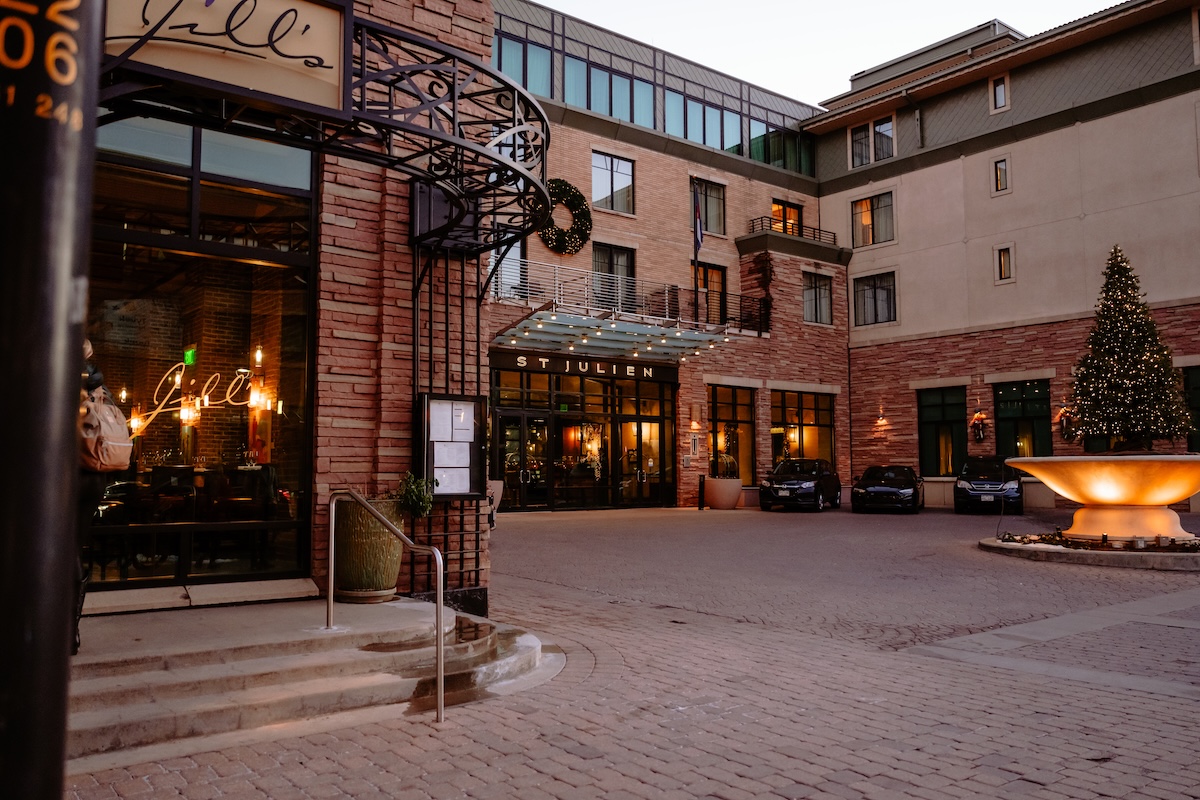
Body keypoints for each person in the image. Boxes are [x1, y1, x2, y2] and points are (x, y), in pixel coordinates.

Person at [75, 339, 107, 655]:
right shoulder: (98, 387)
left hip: (66, 474)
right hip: (94, 475)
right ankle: (71, 632)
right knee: (74, 549)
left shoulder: (54, 377)